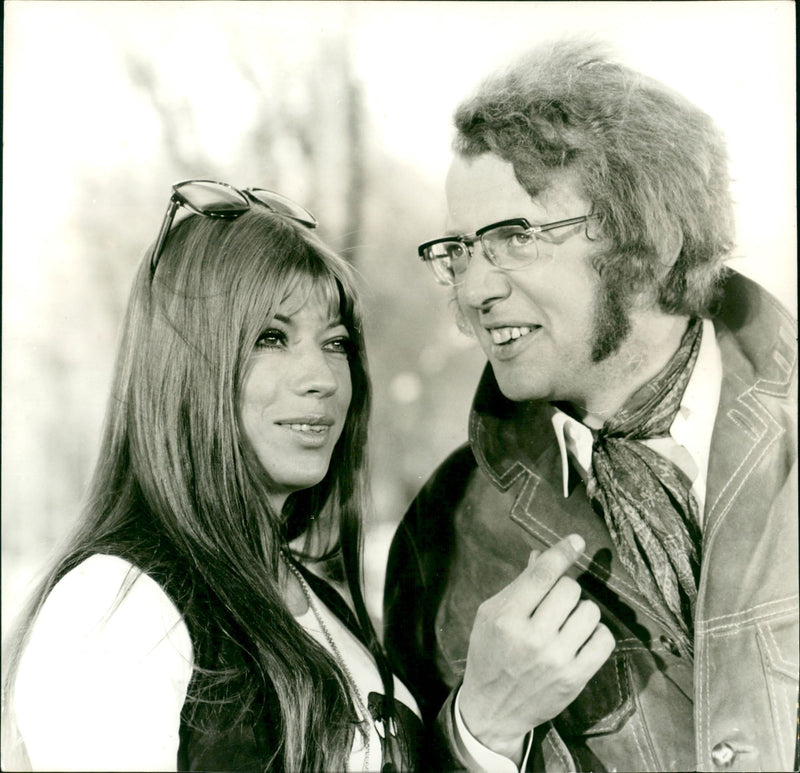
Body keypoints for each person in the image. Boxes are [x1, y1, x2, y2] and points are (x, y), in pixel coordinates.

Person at [385, 39, 798, 772]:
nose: (474, 290)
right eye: (460, 249)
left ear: (654, 240)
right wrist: (479, 737)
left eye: (514, 236)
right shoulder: (442, 534)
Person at [2, 180, 422, 771]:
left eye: (336, 343)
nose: (323, 378)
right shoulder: (118, 607)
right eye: (271, 338)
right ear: (185, 370)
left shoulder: (314, 593)